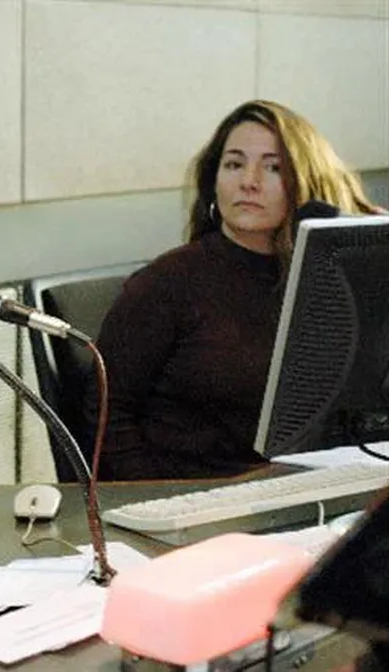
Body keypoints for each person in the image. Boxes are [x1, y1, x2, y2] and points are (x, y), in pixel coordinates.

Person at [86, 99, 382, 481]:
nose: (249, 182)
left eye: (273, 167)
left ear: (306, 183)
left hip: (308, 487)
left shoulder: (329, 284)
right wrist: (161, 498)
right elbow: (105, 418)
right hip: (194, 496)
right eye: (234, 164)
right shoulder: (167, 283)